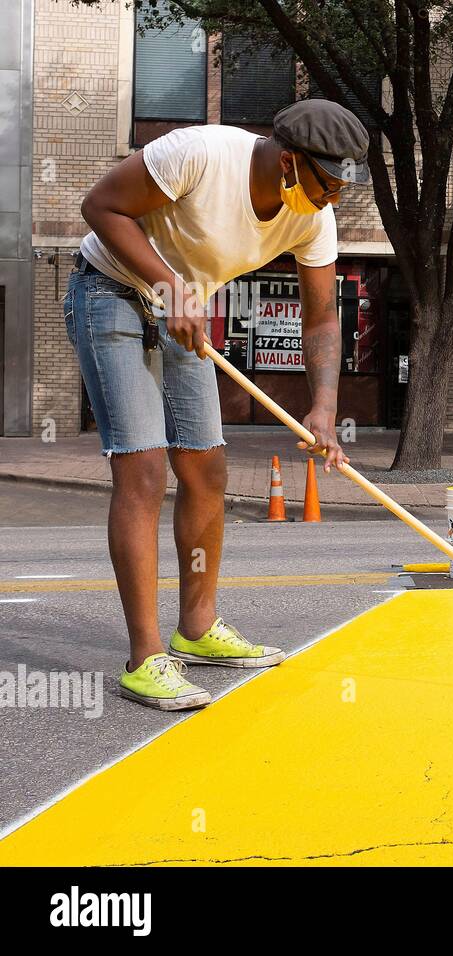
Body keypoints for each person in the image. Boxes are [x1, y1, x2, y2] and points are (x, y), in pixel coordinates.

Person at [68, 100, 365, 710]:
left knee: (206, 470)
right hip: (112, 292)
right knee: (143, 469)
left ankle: (197, 629)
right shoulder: (198, 154)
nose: (332, 199)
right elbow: (99, 207)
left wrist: (325, 407)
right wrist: (167, 286)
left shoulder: (312, 217)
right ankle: (146, 657)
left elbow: (321, 316)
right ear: (289, 161)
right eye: (327, 184)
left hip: (185, 312)